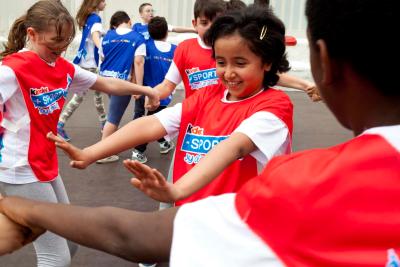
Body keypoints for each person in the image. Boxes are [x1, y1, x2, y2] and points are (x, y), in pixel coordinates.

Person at [2, 1, 398, 266]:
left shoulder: (272, 109)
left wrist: (177, 190)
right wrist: (91, 152)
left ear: (272, 65)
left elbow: (231, 148)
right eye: (221, 61)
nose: (227, 71)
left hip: (229, 224)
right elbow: (153, 123)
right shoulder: (207, 95)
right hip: (187, 211)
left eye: (240, 62)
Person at [0, 1, 158, 266]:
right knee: (56, 256)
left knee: (70, 244)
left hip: (44, 163)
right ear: (31, 34)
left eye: (63, 47)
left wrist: (146, 90)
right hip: (17, 168)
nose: (57, 53)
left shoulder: (62, 67)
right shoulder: (11, 71)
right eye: (52, 47)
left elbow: (106, 83)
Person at [95, 11, 147, 164]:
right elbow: (139, 62)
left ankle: (106, 148)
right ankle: (102, 152)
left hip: (105, 79)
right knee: (114, 118)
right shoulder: (137, 38)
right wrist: (139, 87)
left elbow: (102, 57)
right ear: (129, 21)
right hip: (121, 82)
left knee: (113, 112)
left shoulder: (107, 36)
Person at [56, 0, 107, 142]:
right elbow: (95, 35)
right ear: (96, 2)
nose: (105, 3)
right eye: (103, 1)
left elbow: (91, 36)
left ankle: (104, 123)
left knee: (90, 96)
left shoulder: (88, 17)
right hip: (91, 64)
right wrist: (102, 50)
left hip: (84, 61)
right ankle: (60, 124)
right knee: (92, 96)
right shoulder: (96, 18)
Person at [130, 16, 177, 164]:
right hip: (162, 94)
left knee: (154, 120)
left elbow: (136, 63)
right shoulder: (175, 50)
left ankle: (164, 143)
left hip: (144, 90)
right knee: (154, 122)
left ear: (149, 32)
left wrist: (135, 86)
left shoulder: (145, 46)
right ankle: (138, 150)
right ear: (166, 32)